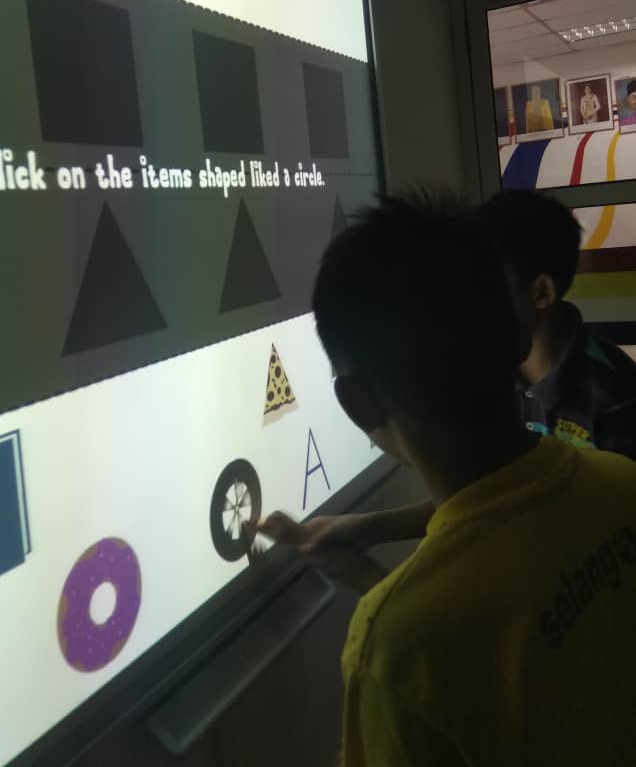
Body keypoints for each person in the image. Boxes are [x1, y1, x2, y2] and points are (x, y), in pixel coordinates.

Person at [264, 191, 636, 766]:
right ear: (516, 339)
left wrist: (383, 597)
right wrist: (373, 541)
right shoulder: (619, 482)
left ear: (358, 402)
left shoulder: (392, 651)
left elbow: (465, 639)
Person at [261, 189, 636, 561]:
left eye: (487, 283)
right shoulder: (490, 371)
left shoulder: (613, 393)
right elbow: (484, 495)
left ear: (541, 292)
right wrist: (370, 527)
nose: (467, 296)